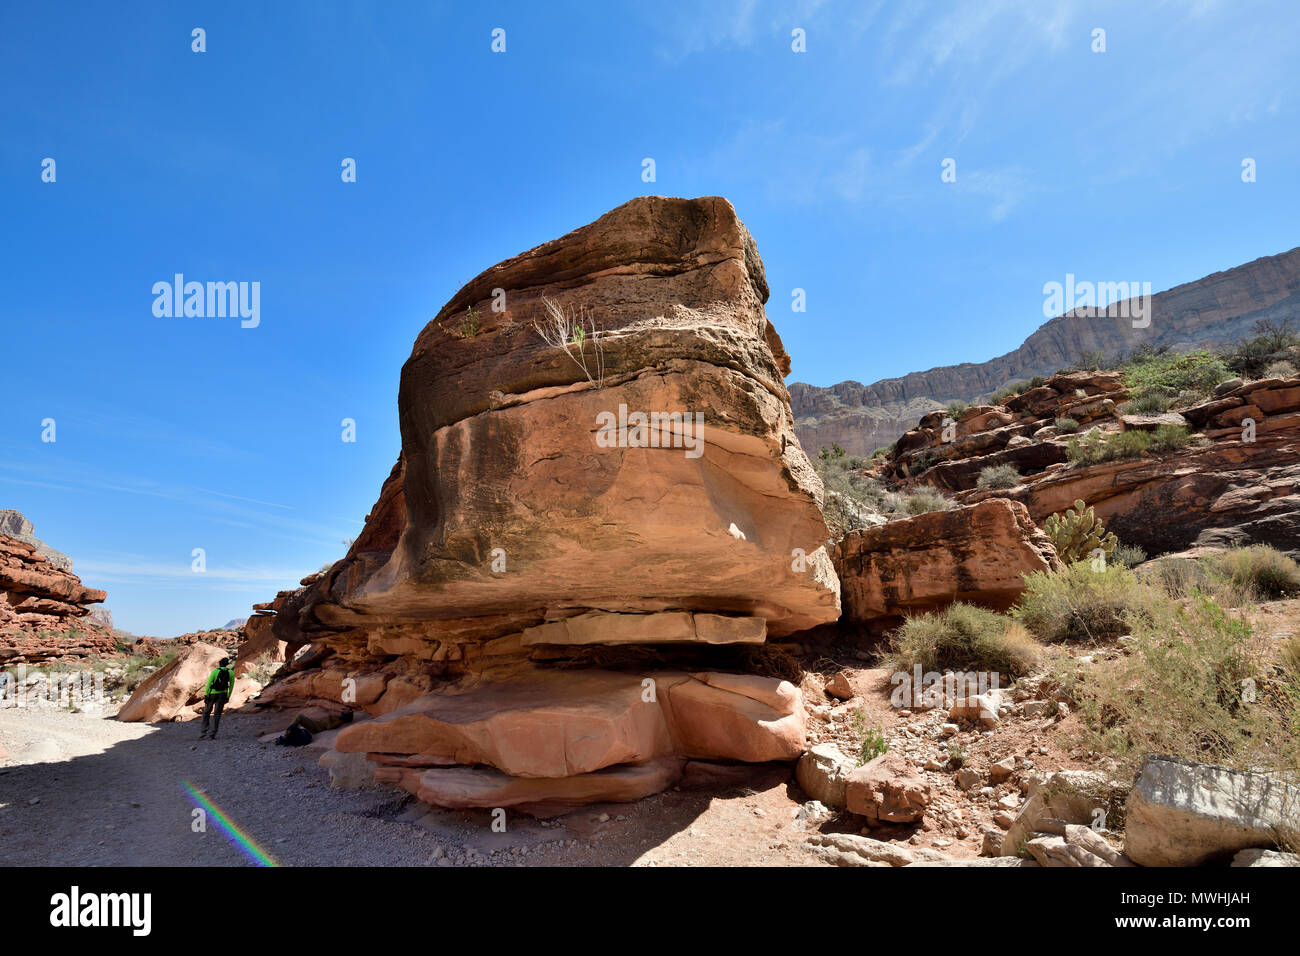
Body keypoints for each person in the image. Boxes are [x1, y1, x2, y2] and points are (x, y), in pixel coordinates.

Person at [199, 657, 235, 740]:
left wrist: (206, 694)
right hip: (223, 694)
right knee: (217, 714)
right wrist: (228, 696)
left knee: (207, 712)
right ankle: (212, 733)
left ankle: (203, 732)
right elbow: (231, 685)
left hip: (212, 694)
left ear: (220, 664)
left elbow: (208, 683)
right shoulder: (230, 672)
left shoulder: (215, 671)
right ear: (227, 665)